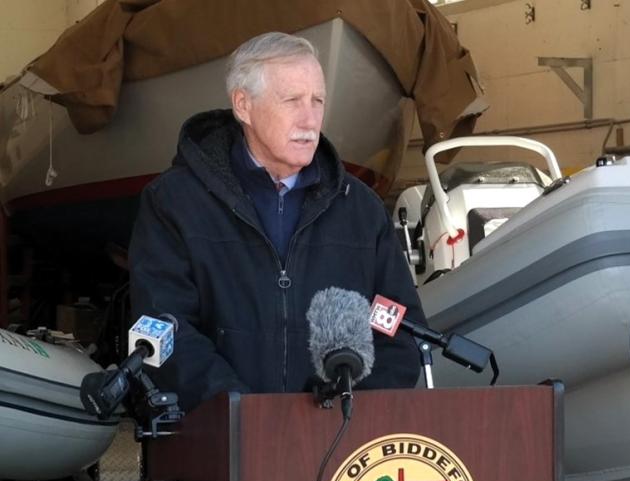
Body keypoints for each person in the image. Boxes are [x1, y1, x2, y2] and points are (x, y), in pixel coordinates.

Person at [129, 32, 424, 411]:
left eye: (318, 101)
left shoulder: (361, 210)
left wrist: (343, 412)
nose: (310, 119)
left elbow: (397, 328)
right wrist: (240, 410)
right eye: (292, 101)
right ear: (243, 105)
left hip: (338, 446)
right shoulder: (174, 203)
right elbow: (163, 327)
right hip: (219, 442)